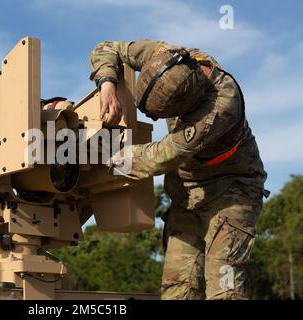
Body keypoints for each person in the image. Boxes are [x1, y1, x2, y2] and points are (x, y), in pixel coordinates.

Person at [89, 40, 268, 300]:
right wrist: (107, 83)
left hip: (233, 194)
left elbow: (163, 156)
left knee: (224, 290)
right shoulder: (165, 55)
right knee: (178, 289)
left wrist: (107, 157)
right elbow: (106, 47)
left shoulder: (219, 108)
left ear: (187, 107)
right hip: (186, 196)